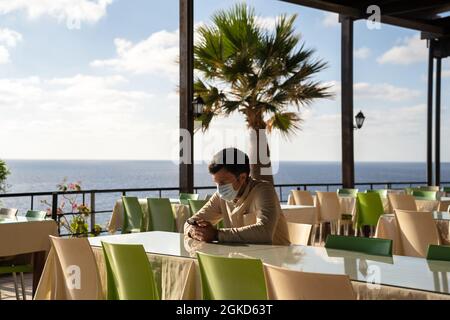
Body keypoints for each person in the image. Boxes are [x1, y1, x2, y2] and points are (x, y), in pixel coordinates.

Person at [184, 148, 290, 245]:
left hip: (275, 261)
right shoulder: (220, 197)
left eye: (223, 182)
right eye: (216, 183)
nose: (219, 188)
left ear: (242, 177)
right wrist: (194, 231)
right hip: (243, 260)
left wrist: (216, 235)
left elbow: (264, 233)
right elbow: (189, 223)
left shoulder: (263, 191)